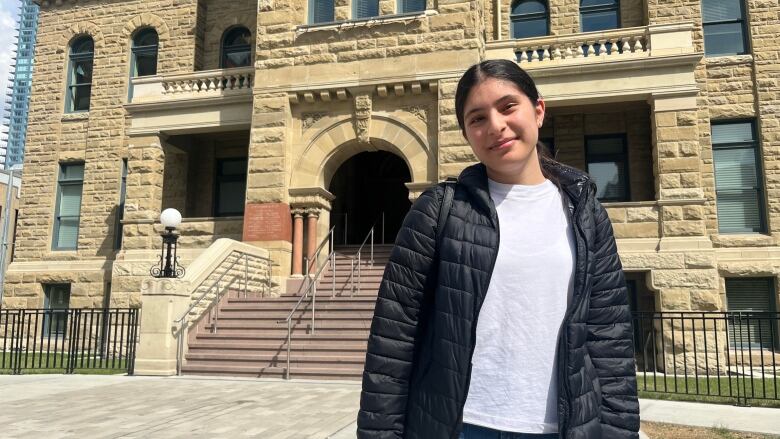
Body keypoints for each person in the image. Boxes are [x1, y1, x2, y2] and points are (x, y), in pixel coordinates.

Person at [357, 59, 639, 439]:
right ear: (467, 134)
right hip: (461, 425)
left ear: (538, 111)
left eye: (508, 107)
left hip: (561, 427)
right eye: (477, 119)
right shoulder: (440, 210)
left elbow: (609, 340)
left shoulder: (585, 211)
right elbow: (394, 340)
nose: (495, 126)